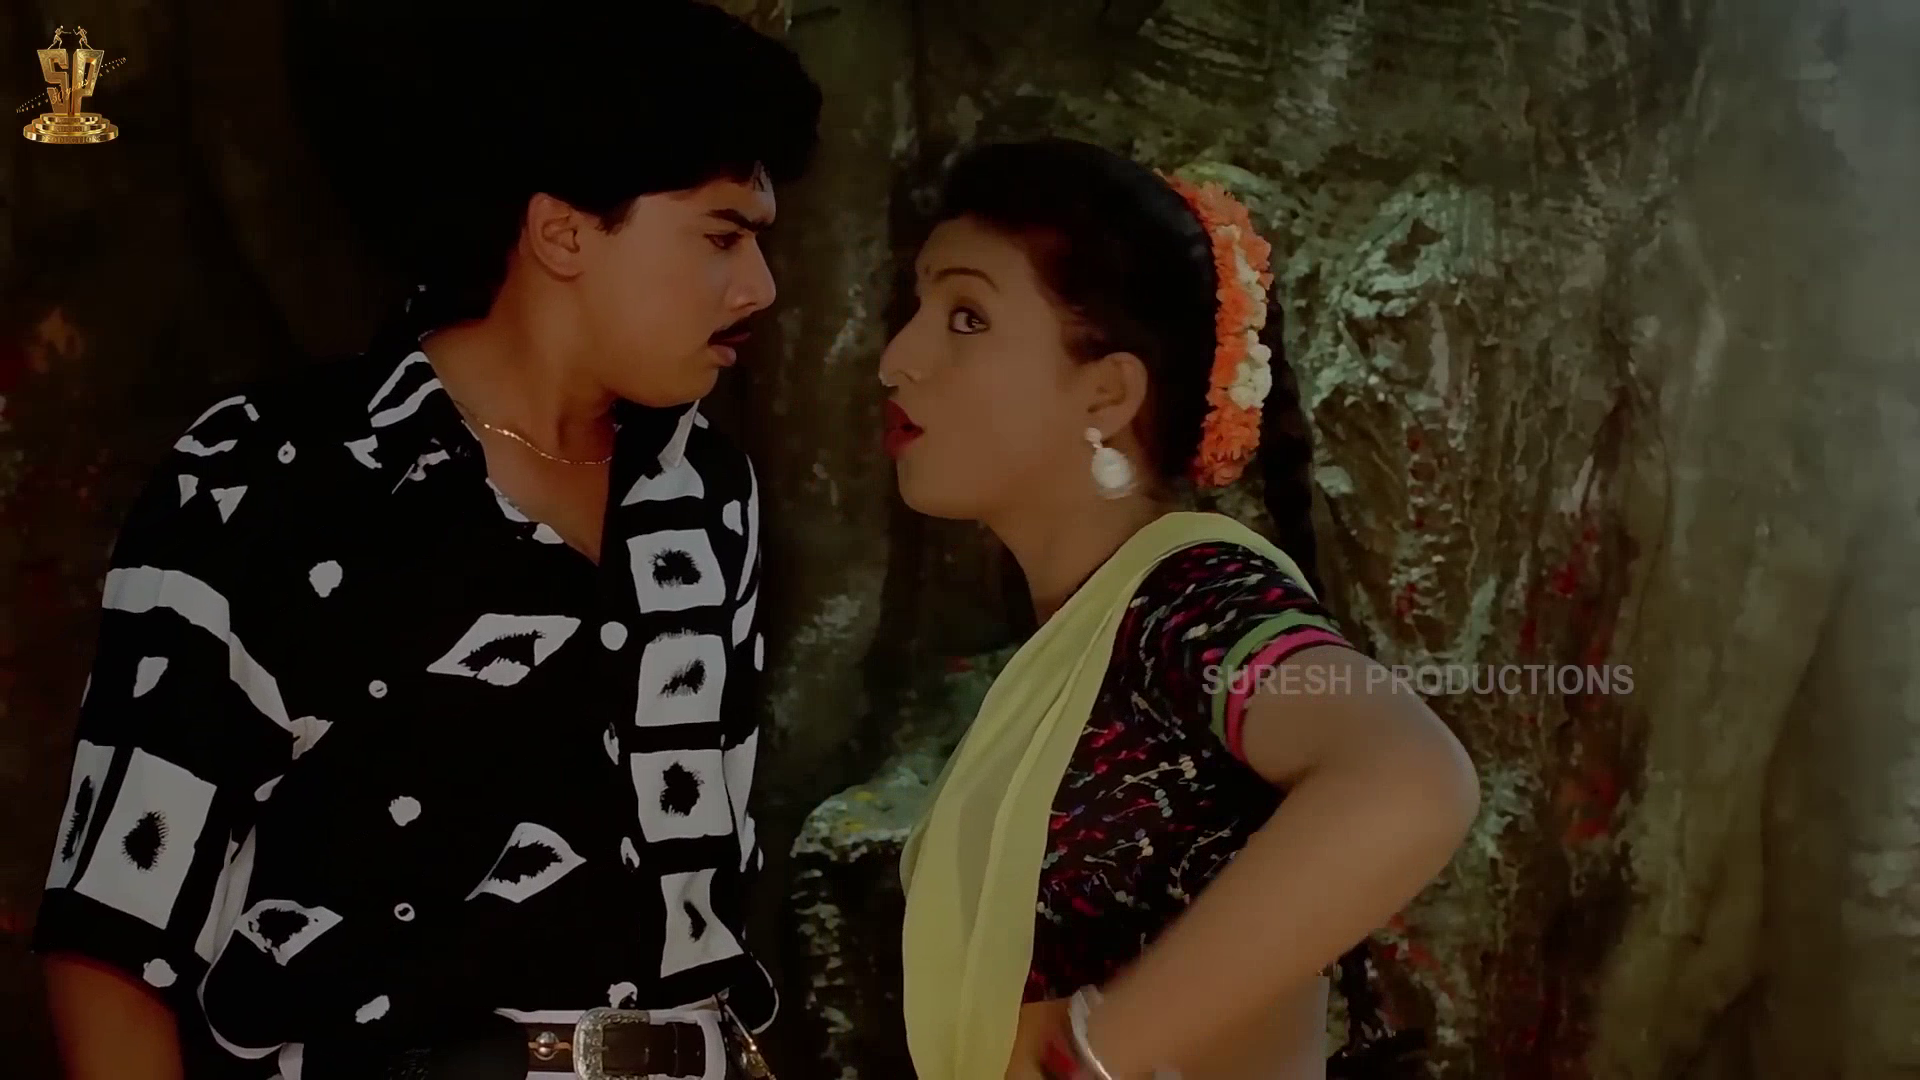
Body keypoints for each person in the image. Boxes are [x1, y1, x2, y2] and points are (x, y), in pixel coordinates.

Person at [32, 3, 820, 1078]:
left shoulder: (709, 492)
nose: (760, 286)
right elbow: (112, 939)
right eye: (722, 236)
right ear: (562, 232)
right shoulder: (268, 475)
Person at [883, 138, 1482, 1080]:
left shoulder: (1191, 599)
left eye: (966, 317)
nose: (898, 360)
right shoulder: (1091, 632)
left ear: (1107, 392)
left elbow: (1412, 781)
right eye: (916, 311)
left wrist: (1093, 1053)